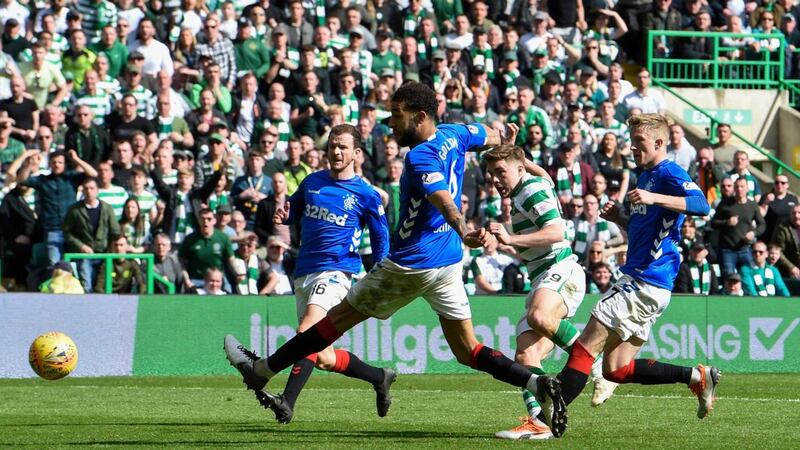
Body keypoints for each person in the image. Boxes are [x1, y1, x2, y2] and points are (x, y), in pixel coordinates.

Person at [223, 82, 564, 425]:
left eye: (397, 116)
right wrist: (509, 143)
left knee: (329, 324)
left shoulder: (419, 158)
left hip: (411, 263)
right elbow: (492, 134)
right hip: (447, 262)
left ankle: (261, 370)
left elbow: (444, 201)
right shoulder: (457, 133)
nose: (391, 124)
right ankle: (536, 382)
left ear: (419, 117)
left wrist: (463, 229)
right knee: (467, 349)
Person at [528, 113, 715, 438]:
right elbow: (646, 230)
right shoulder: (645, 177)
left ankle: (543, 422)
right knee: (616, 369)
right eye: (632, 141)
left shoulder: (668, 172)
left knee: (585, 347)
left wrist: (655, 197)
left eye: (639, 142)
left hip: (643, 281)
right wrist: (619, 218)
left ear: (659, 142)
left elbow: (702, 205)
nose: (632, 147)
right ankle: (698, 377)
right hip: (649, 285)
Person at [250, 124, 394, 423]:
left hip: (336, 272)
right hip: (304, 272)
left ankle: (286, 402)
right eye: (332, 146)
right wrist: (284, 215)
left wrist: (380, 274)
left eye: (342, 147)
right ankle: (379, 377)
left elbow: (381, 237)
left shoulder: (366, 194)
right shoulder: (312, 182)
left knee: (307, 331)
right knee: (324, 357)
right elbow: (293, 209)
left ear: (356, 153)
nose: (336, 152)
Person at [482, 144, 609, 440]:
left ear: (520, 169)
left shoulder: (529, 190)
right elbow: (543, 176)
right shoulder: (531, 185)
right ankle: (540, 422)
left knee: (539, 316)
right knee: (526, 354)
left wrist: (510, 238)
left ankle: (596, 365)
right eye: (491, 175)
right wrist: (515, 151)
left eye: (500, 172)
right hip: (542, 277)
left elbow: (556, 232)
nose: (495, 180)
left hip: (560, 268)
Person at [62, 176, 120, 291]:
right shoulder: (75, 210)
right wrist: (81, 246)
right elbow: (67, 232)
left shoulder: (107, 208)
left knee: (104, 286)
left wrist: (111, 247)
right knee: (86, 285)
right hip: (84, 255)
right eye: (86, 188)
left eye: (92, 188)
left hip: (104, 254)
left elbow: (115, 231)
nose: (89, 191)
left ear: (97, 190)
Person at [711, 177, 765, 278]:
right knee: (728, 279)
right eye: (737, 187)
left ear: (747, 188)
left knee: (750, 277)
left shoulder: (752, 205)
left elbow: (762, 224)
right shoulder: (725, 204)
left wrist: (753, 233)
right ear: (734, 189)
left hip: (745, 249)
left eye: (742, 186)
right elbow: (713, 223)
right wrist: (727, 222)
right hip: (727, 250)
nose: (739, 189)